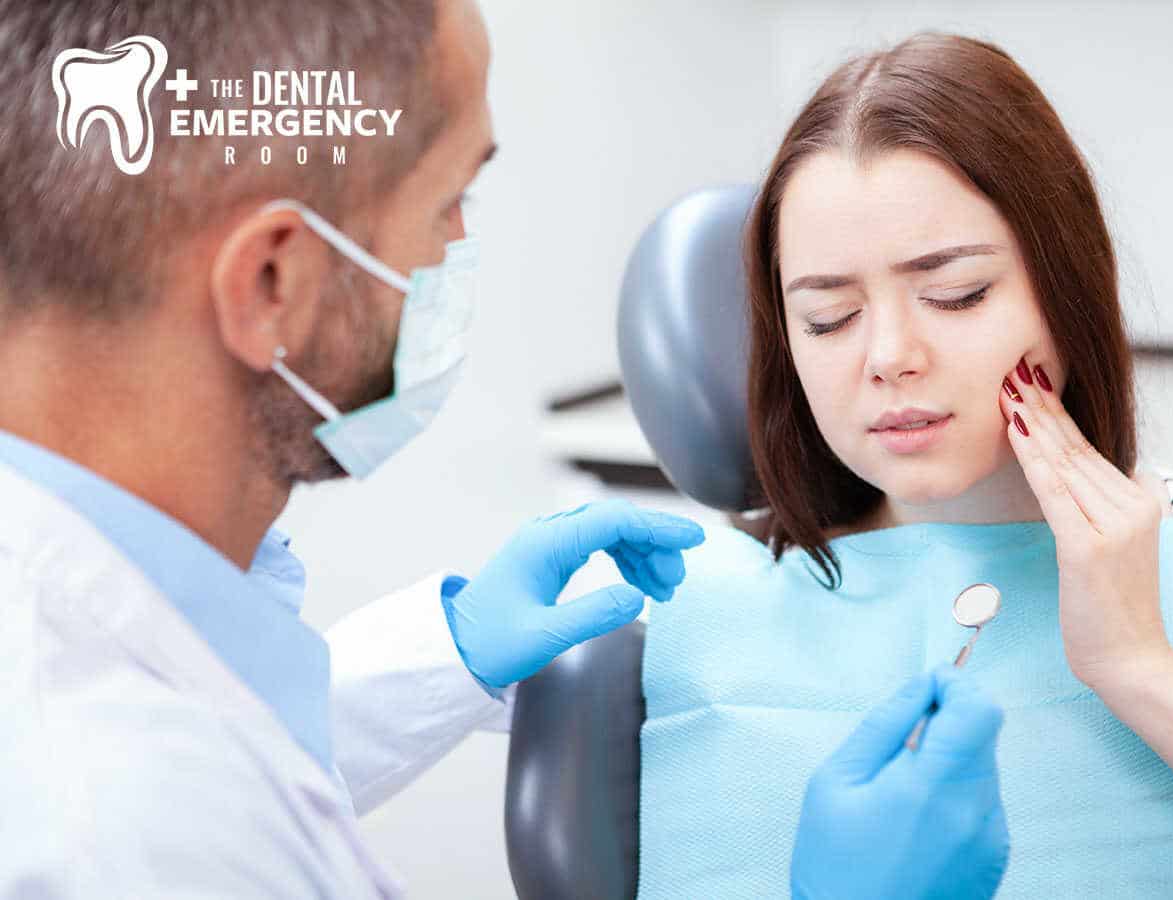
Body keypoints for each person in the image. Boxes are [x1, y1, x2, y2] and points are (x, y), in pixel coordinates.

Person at [0, 4, 1011, 898]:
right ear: (275, 283)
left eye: (958, 293)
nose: (892, 356)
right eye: (450, 204)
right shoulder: (109, 829)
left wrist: (448, 651)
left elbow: (245, 747)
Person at [636, 29, 1173, 900]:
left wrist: (1138, 664)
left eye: (956, 294)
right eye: (828, 317)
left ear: (1067, 285)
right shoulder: (681, 610)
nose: (890, 356)